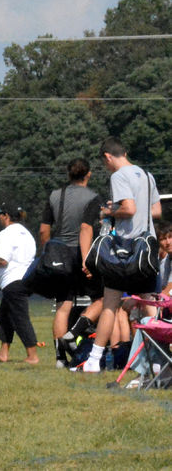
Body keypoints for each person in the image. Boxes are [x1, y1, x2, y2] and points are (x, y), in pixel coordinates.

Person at [74, 136, 161, 373]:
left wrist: (111, 210)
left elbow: (129, 208)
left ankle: (94, 360)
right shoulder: (146, 175)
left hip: (125, 251)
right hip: (147, 251)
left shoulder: (118, 176)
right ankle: (158, 358)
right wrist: (128, 210)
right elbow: (156, 211)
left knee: (110, 304)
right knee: (149, 305)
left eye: (105, 163)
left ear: (108, 157)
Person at [38, 158, 103, 368]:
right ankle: (75, 335)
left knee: (62, 306)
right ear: (89, 174)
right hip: (82, 253)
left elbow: (44, 230)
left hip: (59, 254)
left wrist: (49, 250)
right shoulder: (93, 197)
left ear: (68, 174)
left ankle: (59, 359)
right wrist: (86, 259)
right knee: (102, 299)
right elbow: (88, 228)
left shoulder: (55, 196)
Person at [0, 203, 39, 364]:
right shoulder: (27, 234)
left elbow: (1, 260)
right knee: (5, 316)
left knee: (20, 318)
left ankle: (32, 356)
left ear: (6, 215)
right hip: (27, 279)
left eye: (0, 214)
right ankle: (3, 353)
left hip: (13, 281)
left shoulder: (6, 234)